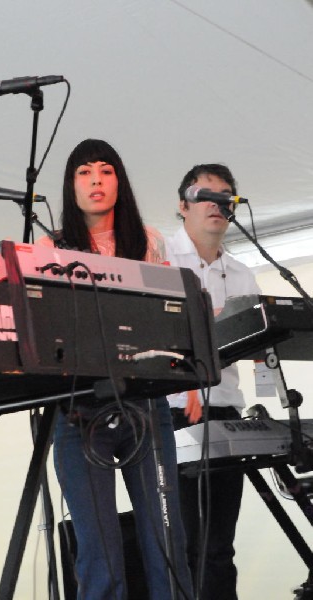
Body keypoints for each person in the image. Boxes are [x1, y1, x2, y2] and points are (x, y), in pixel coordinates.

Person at [38, 138, 194, 600]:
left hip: (146, 404)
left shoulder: (147, 240)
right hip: (79, 411)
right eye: (84, 173)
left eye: (105, 171)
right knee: (98, 551)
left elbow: (171, 317)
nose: (96, 182)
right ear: (71, 186)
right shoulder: (50, 246)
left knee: (166, 540)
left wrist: (186, 375)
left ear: (119, 181)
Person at [165, 164, 260, 600]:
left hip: (225, 411)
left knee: (220, 544)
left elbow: (262, 347)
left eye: (226, 197)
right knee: (182, 543)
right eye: (205, 194)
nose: (217, 204)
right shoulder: (158, 257)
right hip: (170, 412)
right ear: (182, 206)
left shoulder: (242, 274)